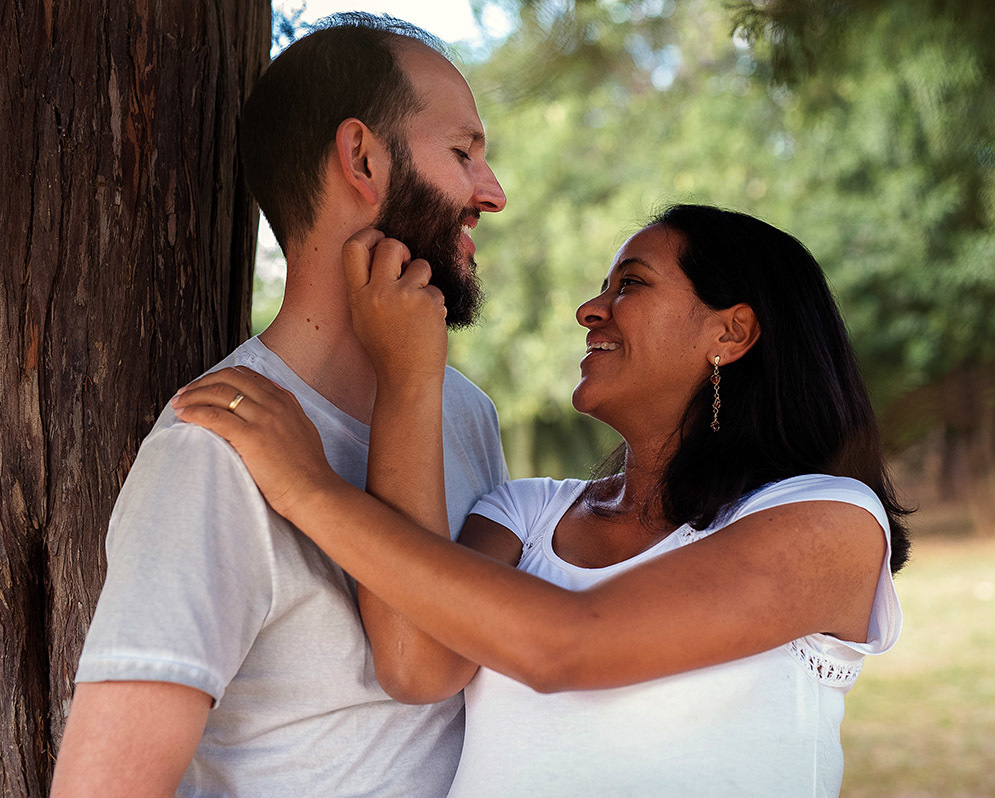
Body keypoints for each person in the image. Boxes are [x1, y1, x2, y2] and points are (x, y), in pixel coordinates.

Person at [173, 204, 912, 796]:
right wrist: (409, 377)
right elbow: (414, 664)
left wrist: (305, 486)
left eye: (631, 284)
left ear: (731, 332)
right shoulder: (527, 512)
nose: (592, 309)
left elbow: (566, 643)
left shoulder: (832, 522)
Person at [51, 15, 508, 798]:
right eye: (463, 153)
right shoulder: (212, 450)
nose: (490, 194)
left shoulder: (464, 414)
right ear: (361, 156)